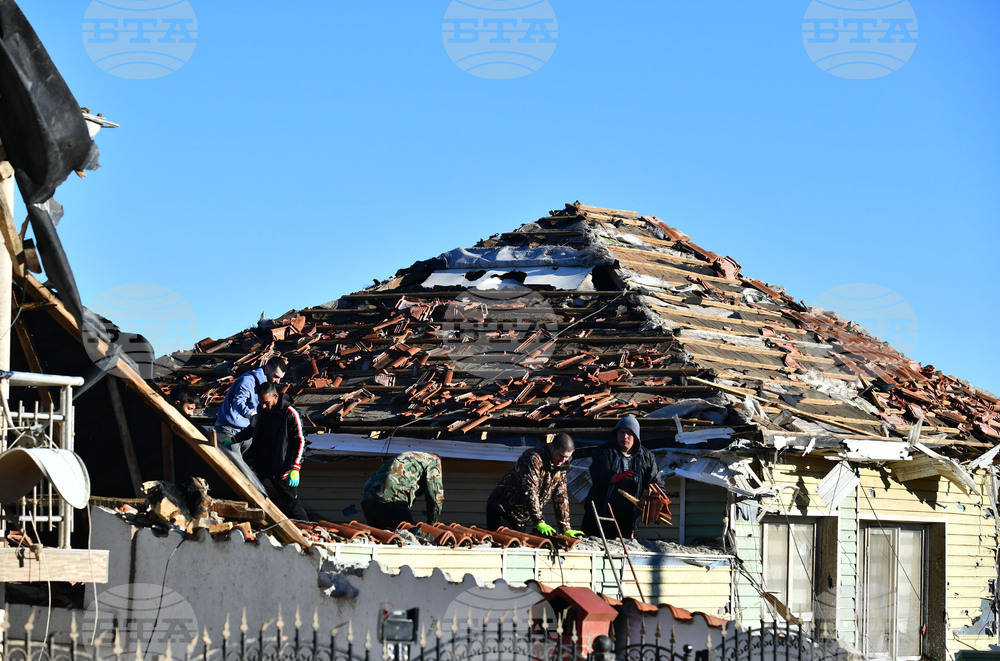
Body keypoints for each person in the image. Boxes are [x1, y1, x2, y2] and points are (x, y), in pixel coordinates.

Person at [485, 433, 584, 538]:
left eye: (567, 457)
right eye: (561, 455)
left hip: (521, 517)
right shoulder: (533, 458)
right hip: (502, 510)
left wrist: (565, 528)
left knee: (518, 545)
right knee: (504, 543)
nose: (563, 460)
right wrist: (539, 521)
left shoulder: (560, 466)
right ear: (551, 447)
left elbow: (561, 497)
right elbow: (530, 490)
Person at [236, 381, 308, 521]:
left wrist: (295, 468)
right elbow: (254, 429)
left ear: (275, 396)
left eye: (266, 402)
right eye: (261, 402)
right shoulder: (263, 409)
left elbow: (300, 440)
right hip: (261, 461)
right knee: (244, 484)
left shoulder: (290, 413)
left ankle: (306, 526)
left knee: (291, 501)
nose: (263, 406)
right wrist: (234, 439)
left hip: (282, 465)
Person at [582, 414, 659, 539]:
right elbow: (597, 475)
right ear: (616, 434)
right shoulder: (604, 451)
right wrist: (615, 477)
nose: (625, 437)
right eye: (621, 432)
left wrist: (656, 498)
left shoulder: (646, 457)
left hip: (627, 519)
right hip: (599, 514)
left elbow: (655, 482)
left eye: (629, 433)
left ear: (636, 436)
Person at [214, 357, 286, 453]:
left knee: (257, 460)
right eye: (276, 376)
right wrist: (250, 415)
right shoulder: (247, 381)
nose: (278, 382)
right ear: (267, 369)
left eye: (280, 378)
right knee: (235, 461)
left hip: (245, 433)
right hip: (227, 429)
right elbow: (238, 402)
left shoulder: (267, 386)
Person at [361, 452, 444, 529]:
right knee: (409, 536)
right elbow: (435, 496)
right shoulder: (433, 461)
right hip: (392, 497)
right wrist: (432, 525)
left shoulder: (409, 457)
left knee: (382, 536)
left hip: (368, 497)